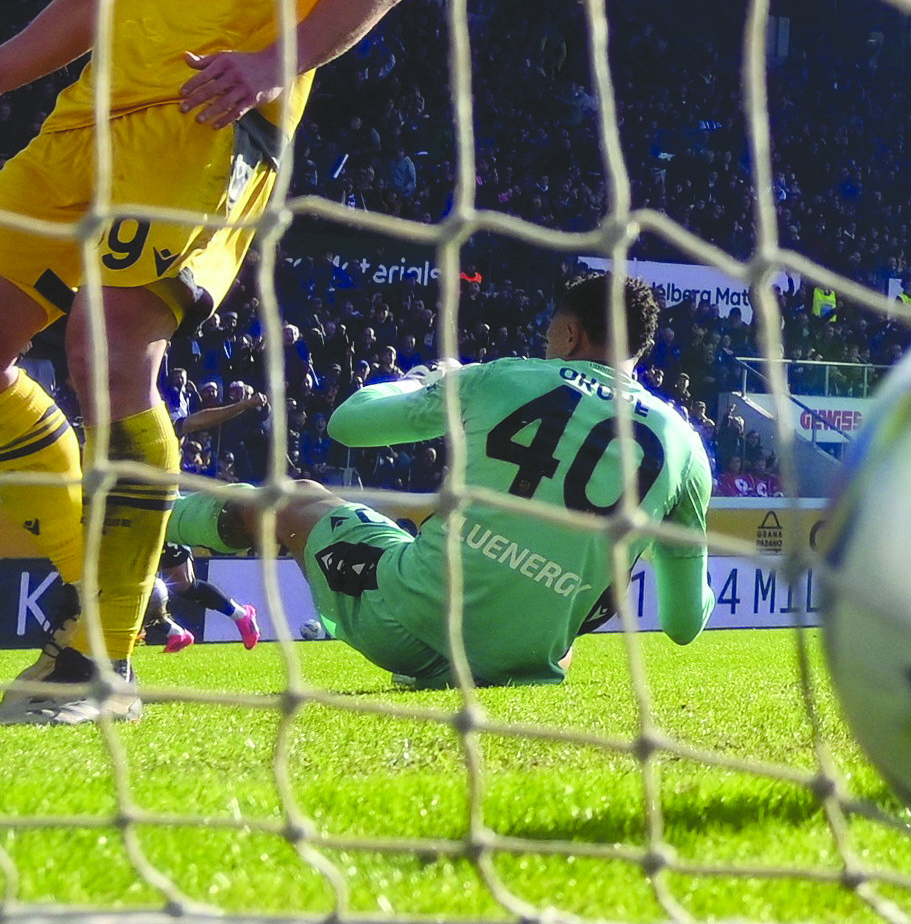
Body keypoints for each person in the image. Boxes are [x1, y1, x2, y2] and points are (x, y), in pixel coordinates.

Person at [0, 0, 415, 723]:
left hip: (207, 117)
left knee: (107, 343)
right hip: (90, 111)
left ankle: (100, 654)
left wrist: (279, 65)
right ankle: (77, 567)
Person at [163, 272, 712, 688]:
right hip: (523, 659)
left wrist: (425, 377)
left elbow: (348, 424)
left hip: (409, 621)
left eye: (551, 332)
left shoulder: (502, 377)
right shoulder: (685, 447)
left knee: (294, 497)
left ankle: (160, 515)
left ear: (568, 333)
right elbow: (685, 624)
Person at [140, 545, 260, 655]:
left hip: (161, 527)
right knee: (134, 582)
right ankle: (173, 631)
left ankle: (240, 615)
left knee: (183, 585)